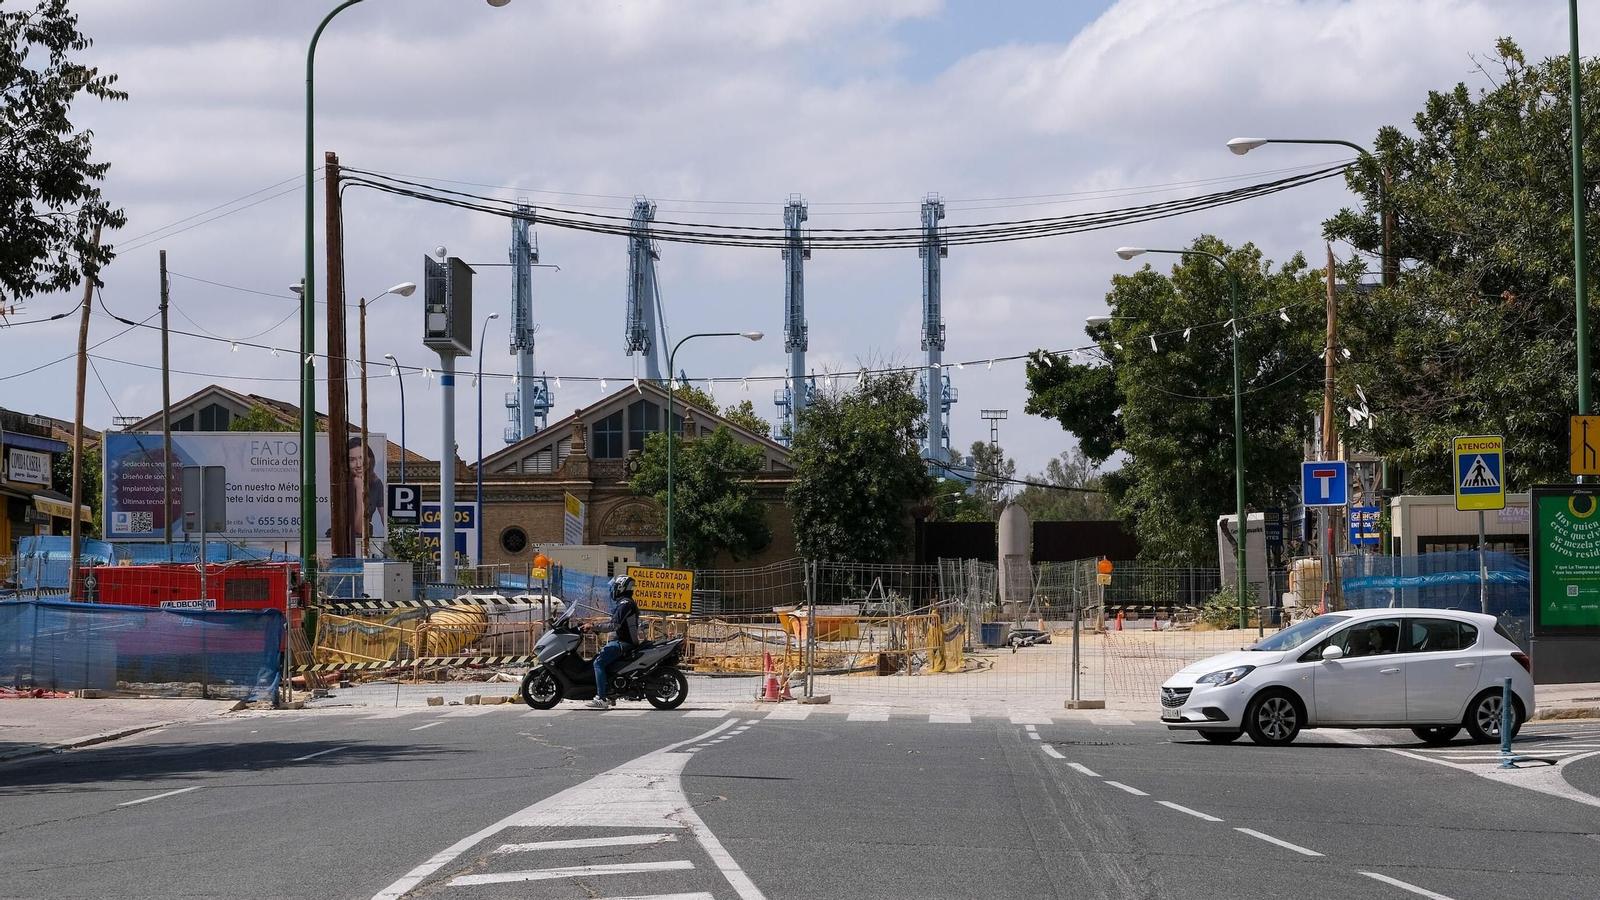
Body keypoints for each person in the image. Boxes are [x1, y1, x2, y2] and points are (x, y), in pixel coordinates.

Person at [582, 575, 641, 709]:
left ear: (620, 587)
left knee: (598, 663)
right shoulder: (625, 603)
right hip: (622, 641)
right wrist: (594, 628)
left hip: (624, 643)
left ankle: (602, 698)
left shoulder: (625, 604)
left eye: (614, 587)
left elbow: (614, 625)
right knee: (602, 659)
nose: (612, 590)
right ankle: (610, 693)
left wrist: (593, 626)